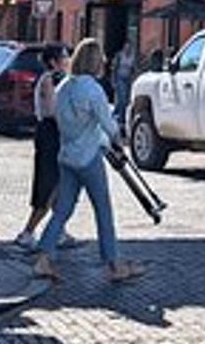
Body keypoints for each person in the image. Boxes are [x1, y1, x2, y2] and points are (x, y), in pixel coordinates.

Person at [33, 38, 146, 284]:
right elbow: (108, 124)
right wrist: (118, 140)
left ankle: (44, 255)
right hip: (89, 156)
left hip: (67, 155)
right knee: (103, 209)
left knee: (62, 209)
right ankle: (113, 263)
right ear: (96, 62)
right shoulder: (93, 89)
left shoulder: (64, 86)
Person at [14, 43, 70, 250]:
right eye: (64, 56)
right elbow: (52, 110)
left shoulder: (59, 80)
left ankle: (59, 230)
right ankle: (27, 231)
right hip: (49, 135)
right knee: (47, 184)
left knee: (59, 185)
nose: (67, 60)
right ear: (54, 61)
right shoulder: (48, 80)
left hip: (55, 134)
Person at [112, 42, 137, 128]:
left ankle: (121, 116)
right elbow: (114, 67)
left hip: (128, 79)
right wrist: (114, 80)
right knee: (121, 98)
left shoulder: (133, 56)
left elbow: (134, 68)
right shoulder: (120, 55)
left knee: (127, 99)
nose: (128, 49)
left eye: (129, 47)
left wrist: (134, 78)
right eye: (126, 47)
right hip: (120, 78)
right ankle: (120, 117)